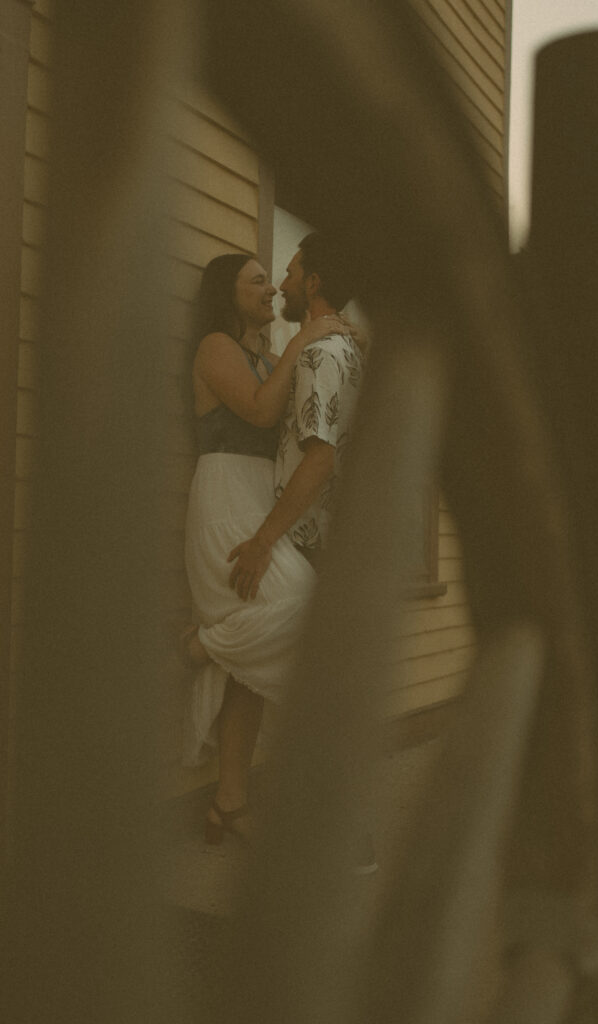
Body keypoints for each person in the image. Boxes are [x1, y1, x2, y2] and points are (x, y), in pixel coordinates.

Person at [181, 252, 346, 844]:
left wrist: (334, 349)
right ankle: (206, 643)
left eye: (273, 280)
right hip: (225, 500)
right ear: (229, 294)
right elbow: (258, 407)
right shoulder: (215, 347)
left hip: (262, 499)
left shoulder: (274, 357)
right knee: (302, 605)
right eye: (257, 281)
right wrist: (306, 339)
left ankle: (228, 804)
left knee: (247, 672)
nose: (273, 287)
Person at [227, 232, 365, 593]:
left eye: (290, 274)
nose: (282, 286)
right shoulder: (352, 352)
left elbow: (321, 458)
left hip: (306, 542)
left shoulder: (316, 355)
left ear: (313, 283)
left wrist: (263, 541)